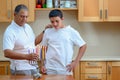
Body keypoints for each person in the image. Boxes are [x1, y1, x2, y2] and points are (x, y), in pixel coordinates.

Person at [3, 4, 45, 76]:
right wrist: (26, 56)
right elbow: (7, 53)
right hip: (20, 69)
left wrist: (45, 31)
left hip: (33, 66)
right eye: (22, 16)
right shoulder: (10, 31)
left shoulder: (27, 27)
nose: (24, 19)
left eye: (26, 17)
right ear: (15, 14)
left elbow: (33, 43)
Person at [41, 9, 87, 75]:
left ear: (62, 19)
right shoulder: (48, 31)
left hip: (65, 69)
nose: (55, 24)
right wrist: (43, 64)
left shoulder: (71, 31)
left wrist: (76, 62)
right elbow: (43, 48)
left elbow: (83, 46)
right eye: (52, 22)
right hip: (50, 68)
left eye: (57, 21)